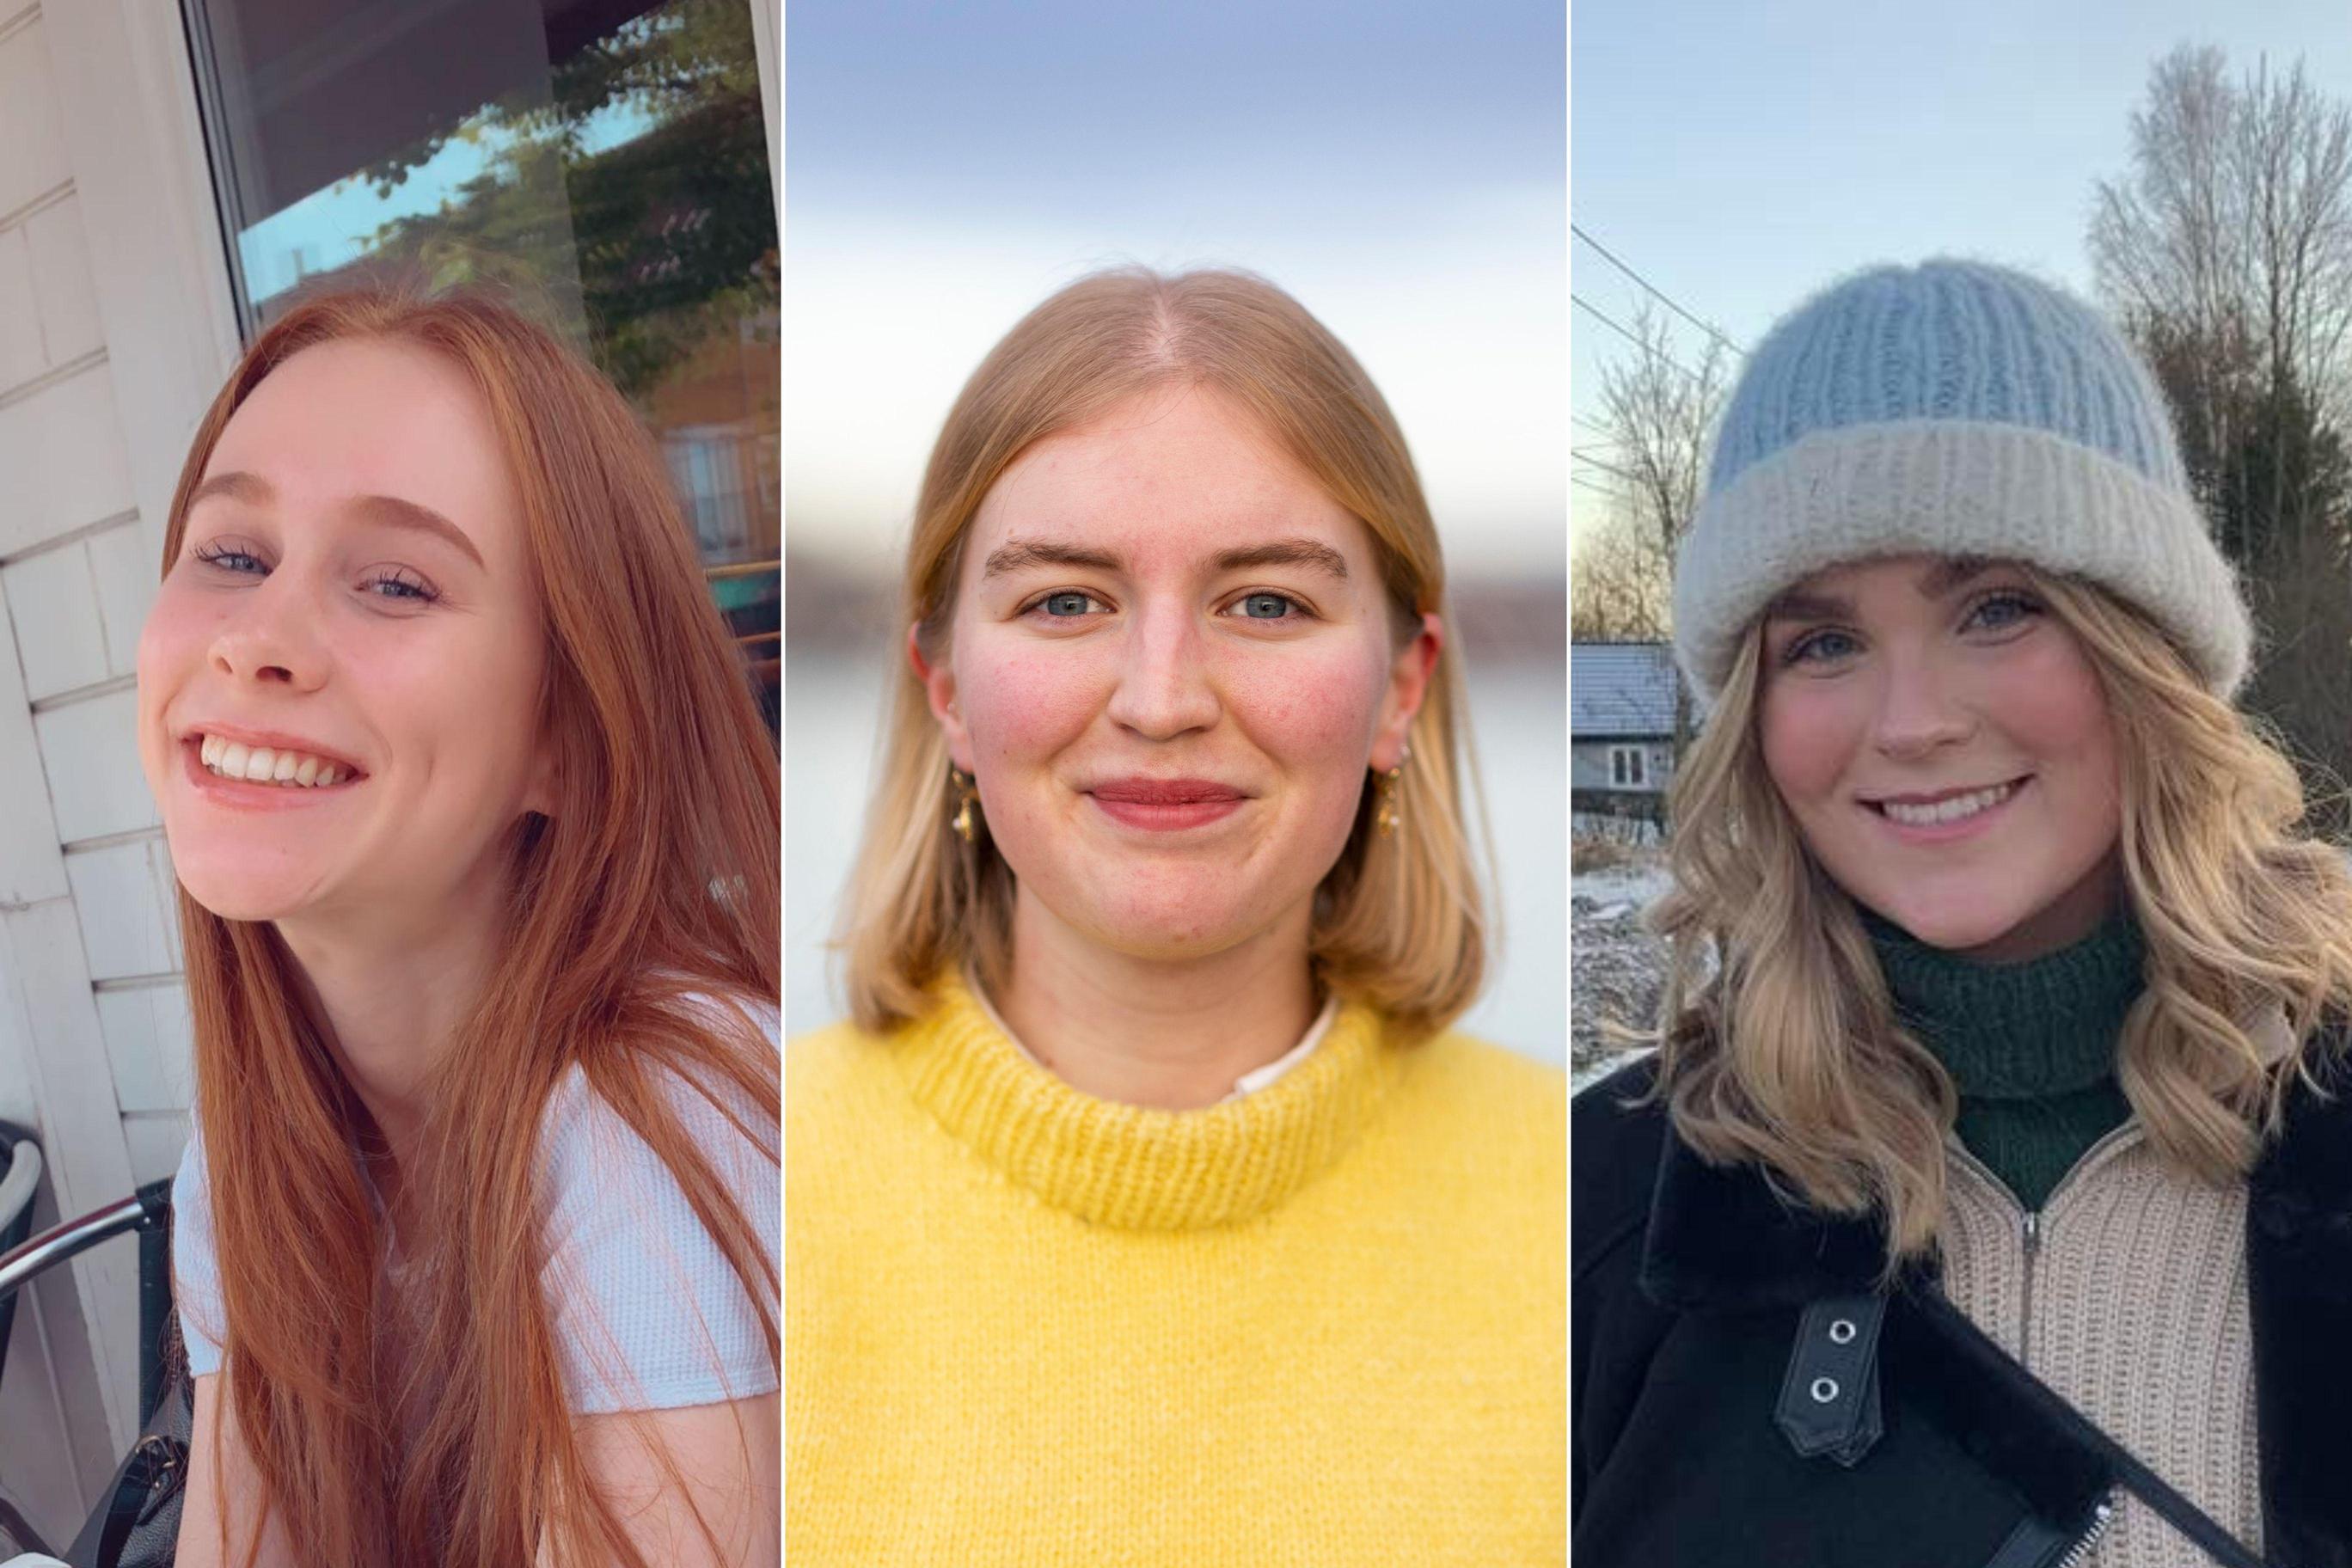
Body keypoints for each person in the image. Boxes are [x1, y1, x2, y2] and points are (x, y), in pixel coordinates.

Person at [1573, 259, 2352, 1567]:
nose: (1916, 722)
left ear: (2145, 655)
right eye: (1821, 643)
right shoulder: (1606, 1219)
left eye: (1998, 609)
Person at [788, 267, 1565, 1562]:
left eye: (1266, 602)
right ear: (946, 690)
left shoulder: (1594, 1206)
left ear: (1399, 688)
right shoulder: (747, 1196)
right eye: (1064, 601)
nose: (1161, 698)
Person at [139, 285, 781, 1567]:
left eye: (392, 583)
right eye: (232, 554)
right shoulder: (256, 1143)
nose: (258, 639)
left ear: (566, 733)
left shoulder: (667, 1118)